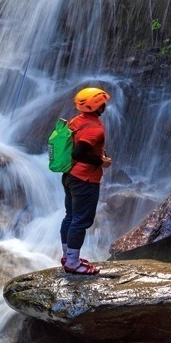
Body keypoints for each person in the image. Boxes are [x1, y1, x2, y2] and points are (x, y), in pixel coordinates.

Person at [59, 87, 112, 274]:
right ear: (98, 107)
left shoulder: (76, 121)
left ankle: (67, 256)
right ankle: (73, 263)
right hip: (85, 180)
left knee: (70, 216)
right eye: (102, 103)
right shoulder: (94, 130)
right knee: (81, 221)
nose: (105, 105)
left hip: (69, 176)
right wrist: (101, 162)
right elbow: (78, 152)